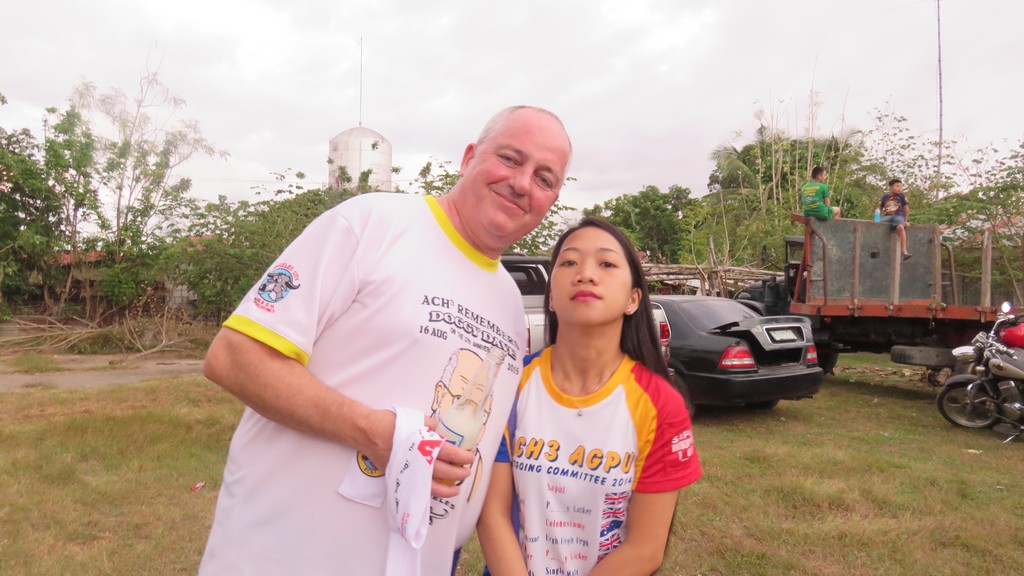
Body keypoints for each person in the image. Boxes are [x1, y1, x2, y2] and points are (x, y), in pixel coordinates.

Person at [198, 106, 573, 575]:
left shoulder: (509, 304)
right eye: (510, 158)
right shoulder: (371, 222)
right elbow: (234, 357)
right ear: (469, 158)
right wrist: (377, 434)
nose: (521, 183)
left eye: (544, 178)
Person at [477, 217, 703, 576]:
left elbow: (645, 550)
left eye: (606, 264)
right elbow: (493, 515)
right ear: (551, 297)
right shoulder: (511, 383)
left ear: (633, 300)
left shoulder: (661, 403)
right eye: (569, 262)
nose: (585, 274)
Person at [879, 177, 911, 260]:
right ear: (890, 187)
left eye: (901, 186)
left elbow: (906, 209)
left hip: (898, 215)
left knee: (900, 227)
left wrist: (905, 221)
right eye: (897, 186)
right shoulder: (885, 198)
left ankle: (904, 250)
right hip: (888, 216)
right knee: (876, 223)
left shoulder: (901, 196)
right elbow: (880, 209)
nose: (899, 188)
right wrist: (877, 216)